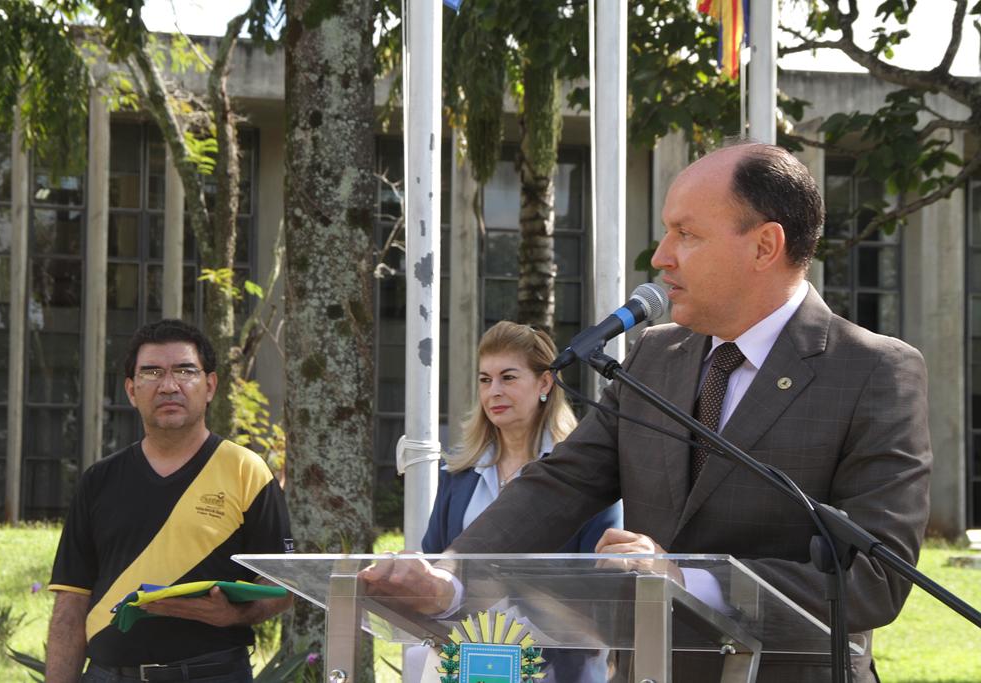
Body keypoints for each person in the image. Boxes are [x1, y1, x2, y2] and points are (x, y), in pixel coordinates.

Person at [365, 143, 932, 683]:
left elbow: (874, 580)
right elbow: (562, 483)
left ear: (765, 246)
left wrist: (688, 580)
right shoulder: (655, 355)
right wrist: (450, 572)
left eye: (686, 234)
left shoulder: (873, 371)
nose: (661, 257)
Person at [45, 319, 293, 683]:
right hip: (108, 675)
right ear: (132, 390)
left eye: (185, 371)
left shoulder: (246, 470)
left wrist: (235, 614)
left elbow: (283, 585)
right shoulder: (98, 480)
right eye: (152, 372)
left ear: (210, 386)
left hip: (213, 675)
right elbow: (70, 604)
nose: (169, 385)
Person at [420, 321, 622, 683]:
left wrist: (508, 592)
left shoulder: (586, 476)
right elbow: (436, 565)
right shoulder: (457, 475)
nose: (494, 391)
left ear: (545, 383)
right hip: (466, 665)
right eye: (485, 380)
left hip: (561, 669)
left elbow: (601, 593)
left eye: (508, 378)